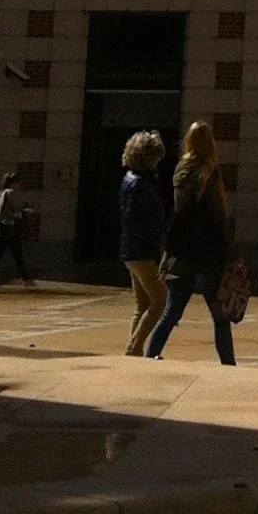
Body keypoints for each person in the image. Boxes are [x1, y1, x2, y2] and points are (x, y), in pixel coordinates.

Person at [145, 122, 239, 364]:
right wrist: (231, 251)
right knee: (219, 316)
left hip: (181, 250)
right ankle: (228, 365)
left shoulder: (181, 169)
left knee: (171, 311)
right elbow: (218, 214)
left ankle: (150, 355)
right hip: (206, 252)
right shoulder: (209, 170)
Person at [118, 129, 168, 355]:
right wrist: (157, 244)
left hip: (131, 250)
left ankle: (134, 351)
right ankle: (134, 346)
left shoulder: (129, 179)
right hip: (142, 251)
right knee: (160, 301)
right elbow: (143, 220)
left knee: (142, 304)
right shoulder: (141, 184)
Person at [0, 169, 35, 289]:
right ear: (13, 183)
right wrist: (25, 212)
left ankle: (26, 279)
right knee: (6, 255)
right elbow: (13, 211)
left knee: (11, 255)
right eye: (18, 183)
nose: (19, 186)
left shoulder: (3, 193)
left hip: (5, 228)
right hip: (8, 228)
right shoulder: (10, 193)